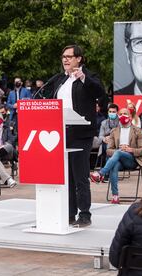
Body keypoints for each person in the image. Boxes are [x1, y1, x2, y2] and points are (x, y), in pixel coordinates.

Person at [45, 44, 105, 227]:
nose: (65, 60)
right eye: (63, 56)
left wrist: (84, 78)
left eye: (69, 57)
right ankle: (70, 213)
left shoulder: (89, 77)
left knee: (80, 176)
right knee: (67, 176)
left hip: (81, 133)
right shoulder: (59, 80)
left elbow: (100, 94)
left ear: (79, 58)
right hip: (62, 132)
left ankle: (85, 214)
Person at [91, 108, 142, 204]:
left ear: (130, 116)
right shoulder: (114, 131)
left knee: (118, 153)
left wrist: (130, 150)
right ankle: (115, 196)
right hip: (118, 160)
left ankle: (101, 173)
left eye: (125, 114)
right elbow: (108, 150)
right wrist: (118, 150)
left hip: (132, 160)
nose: (122, 115)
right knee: (115, 163)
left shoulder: (137, 130)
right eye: (120, 114)